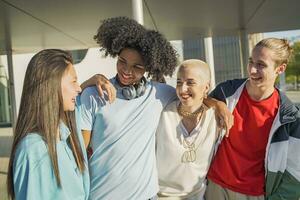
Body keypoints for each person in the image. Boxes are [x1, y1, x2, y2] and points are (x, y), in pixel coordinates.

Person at [80, 16, 232, 200]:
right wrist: (85, 84)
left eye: (137, 66)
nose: (126, 71)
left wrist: (218, 104)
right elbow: (78, 154)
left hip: (147, 196)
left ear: (149, 67)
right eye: (122, 61)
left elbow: (192, 97)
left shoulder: (159, 94)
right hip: (101, 195)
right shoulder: (93, 94)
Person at [205, 38, 300, 200]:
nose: (252, 70)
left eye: (261, 65)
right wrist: (217, 104)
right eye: (251, 62)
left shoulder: (290, 117)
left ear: (280, 69)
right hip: (216, 186)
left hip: (254, 194)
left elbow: (296, 172)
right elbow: (200, 101)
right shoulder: (227, 90)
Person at [6, 49, 90, 200]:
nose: (79, 88)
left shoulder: (65, 136)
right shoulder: (33, 149)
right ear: (52, 85)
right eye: (73, 81)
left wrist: (94, 81)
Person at [156, 59, 222, 200]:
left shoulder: (216, 118)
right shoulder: (162, 113)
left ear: (206, 87)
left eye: (190, 82)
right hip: (159, 196)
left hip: (198, 196)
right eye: (179, 82)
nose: (182, 89)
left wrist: (218, 104)